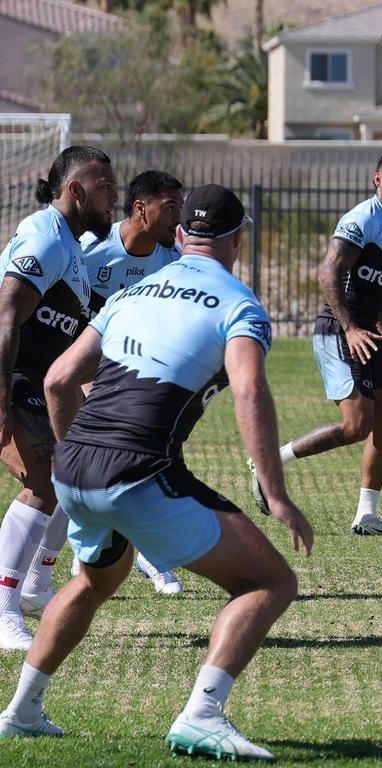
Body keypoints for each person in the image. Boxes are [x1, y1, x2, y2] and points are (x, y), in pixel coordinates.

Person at [0, 184, 313, 762]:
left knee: (94, 581)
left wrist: (73, 459)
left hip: (76, 468)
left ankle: (20, 711)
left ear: (178, 236)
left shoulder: (134, 291)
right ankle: (202, 715)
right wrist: (276, 492)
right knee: (269, 582)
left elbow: (57, 381)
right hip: (138, 470)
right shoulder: (239, 302)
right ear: (239, 239)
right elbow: (248, 388)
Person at [250, 150, 382, 536]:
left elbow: (375, 291)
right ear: (378, 180)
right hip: (338, 329)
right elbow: (329, 273)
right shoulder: (362, 219)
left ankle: (366, 515)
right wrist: (350, 329)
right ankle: (270, 463)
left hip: (366, 333)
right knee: (356, 425)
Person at [42, 170, 185, 596]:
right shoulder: (89, 250)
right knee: (89, 465)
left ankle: (147, 554)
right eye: (171, 207)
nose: (178, 219)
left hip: (136, 375)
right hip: (81, 369)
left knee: (152, 460)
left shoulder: (171, 261)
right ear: (141, 209)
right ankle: (83, 555)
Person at [0, 146, 117, 650]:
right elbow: (7, 313)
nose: (114, 197)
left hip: (34, 378)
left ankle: (33, 587)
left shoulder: (72, 249)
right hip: (14, 377)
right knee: (47, 481)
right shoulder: (46, 239)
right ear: (74, 191)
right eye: (105, 188)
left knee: (72, 471)